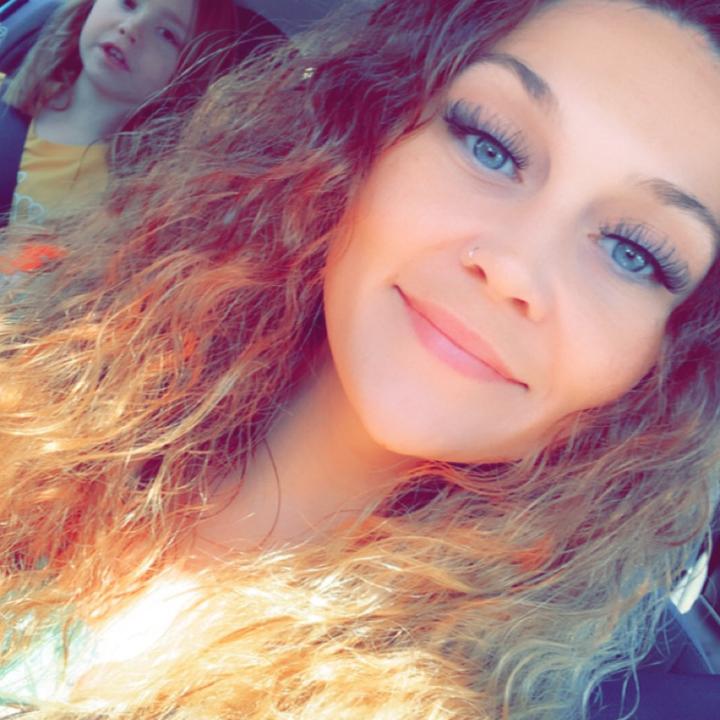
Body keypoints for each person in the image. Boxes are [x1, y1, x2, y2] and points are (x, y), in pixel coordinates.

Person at [0, 0, 719, 717]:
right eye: (490, 145)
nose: (512, 268)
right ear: (367, 133)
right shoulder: (37, 370)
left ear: (673, 364)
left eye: (634, 253)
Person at [0, 0, 243, 233]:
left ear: (187, 75)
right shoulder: (6, 97)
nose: (131, 28)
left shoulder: (137, 194)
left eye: (166, 34)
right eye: (128, 3)